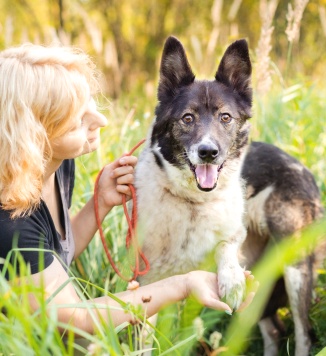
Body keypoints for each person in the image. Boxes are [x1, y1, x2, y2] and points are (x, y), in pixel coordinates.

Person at [0, 43, 255, 335]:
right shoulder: (10, 220)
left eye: (89, 104)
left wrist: (99, 202)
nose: (102, 121)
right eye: (77, 121)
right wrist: (181, 284)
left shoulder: (55, 166)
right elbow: (75, 319)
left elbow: (53, 254)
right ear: (35, 137)